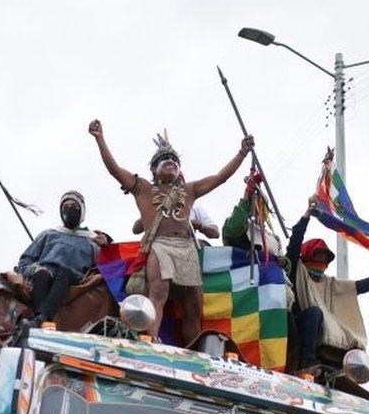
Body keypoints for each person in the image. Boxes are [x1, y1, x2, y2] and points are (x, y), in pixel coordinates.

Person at [89, 119, 253, 345]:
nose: (170, 162)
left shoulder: (190, 190)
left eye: (175, 161)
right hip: (160, 245)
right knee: (158, 292)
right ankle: (150, 341)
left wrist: (242, 153)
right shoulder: (143, 188)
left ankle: (194, 351)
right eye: (164, 160)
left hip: (186, 248)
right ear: (153, 170)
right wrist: (100, 139)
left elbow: (220, 177)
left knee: (194, 303)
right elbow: (114, 170)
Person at [285, 196, 369, 376]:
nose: (323, 261)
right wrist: (307, 215)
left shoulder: (330, 283)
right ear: (308, 255)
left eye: (325, 258)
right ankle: (306, 363)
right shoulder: (297, 270)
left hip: (321, 329)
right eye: (319, 256)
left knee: (346, 330)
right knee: (314, 313)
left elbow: (358, 287)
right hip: (298, 325)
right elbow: (294, 246)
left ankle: (339, 367)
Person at [15, 191, 100, 325]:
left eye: (74, 206)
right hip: (43, 276)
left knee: (64, 273)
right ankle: (38, 317)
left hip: (71, 281)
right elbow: (25, 261)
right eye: (65, 206)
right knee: (43, 274)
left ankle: (42, 318)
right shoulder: (48, 235)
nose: (69, 209)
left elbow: (101, 269)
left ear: (82, 211)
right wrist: (35, 269)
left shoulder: (92, 244)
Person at [222, 171, 283, 257]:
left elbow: (284, 263)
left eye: (262, 207)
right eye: (256, 205)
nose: (259, 210)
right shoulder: (244, 227)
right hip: (246, 268)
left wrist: (285, 263)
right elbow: (234, 226)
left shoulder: (275, 238)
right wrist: (246, 196)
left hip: (269, 270)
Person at [133, 200, 221, 243]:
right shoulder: (157, 204)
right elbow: (136, 229)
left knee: (203, 246)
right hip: (157, 245)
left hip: (187, 246)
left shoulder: (195, 206)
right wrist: (156, 211)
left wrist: (201, 226)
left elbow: (215, 233)